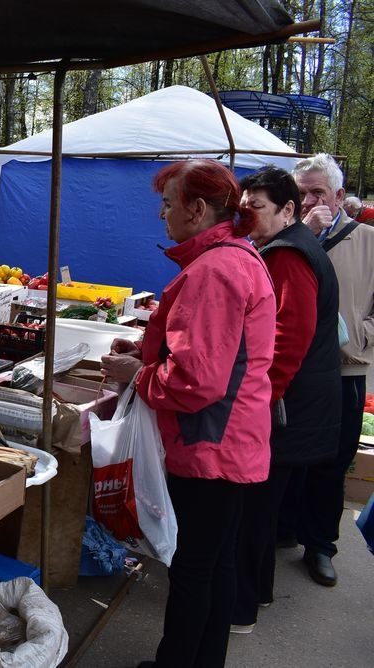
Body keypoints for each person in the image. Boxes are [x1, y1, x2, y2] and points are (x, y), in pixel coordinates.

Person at [100, 159, 275, 668]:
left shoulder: (216, 269)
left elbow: (196, 381)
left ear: (197, 209)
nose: (161, 215)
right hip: (230, 441)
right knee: (214, 565)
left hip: (209, 446)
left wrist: (135, 375)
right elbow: (212, 354)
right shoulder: (235, 257)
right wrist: (145, 354)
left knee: (195, 570)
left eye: (168, 203)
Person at [231, 166, 340, 634]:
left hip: (288, 409)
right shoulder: (287, 246)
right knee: (264, 507)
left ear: (288, 209)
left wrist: (259, 400)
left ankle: (242, 607)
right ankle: (260, 594)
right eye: (243, 208)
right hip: (299, 405)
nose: (247, 217)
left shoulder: (289, 255)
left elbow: (288, 337)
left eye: (255, 208)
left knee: (254, 508)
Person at [281, 153, 374, 586]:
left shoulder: (368, 240)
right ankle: (282, 529)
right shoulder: (285, 239)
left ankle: (320, 545)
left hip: (344, 371)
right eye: (300, 193)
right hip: (293, 370)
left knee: (332, 460)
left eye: (317, 192)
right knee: (285, 455)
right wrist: (309, 235)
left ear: (338, 196)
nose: (307, 201)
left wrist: (359, 337)